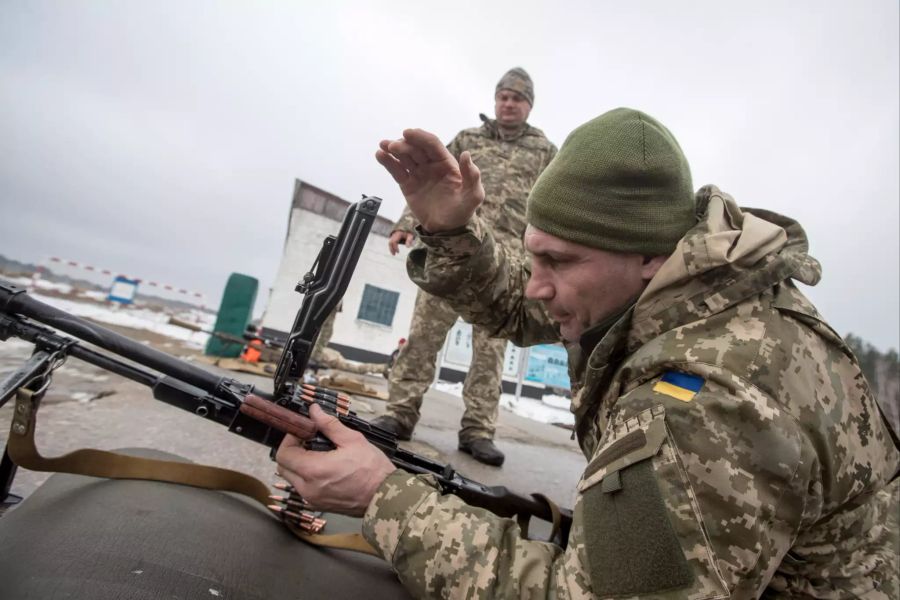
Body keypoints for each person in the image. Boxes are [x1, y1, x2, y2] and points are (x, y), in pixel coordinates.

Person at [276, 108, 900, 598]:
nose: (538, 282)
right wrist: (448, 230)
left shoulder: (707, 396)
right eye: (534, 253)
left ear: (648, 258)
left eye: (558, 261)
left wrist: (383, 497)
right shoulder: (675, 290)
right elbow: (522, 306)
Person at [375, 67, 557, 467]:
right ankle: (400, 412)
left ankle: (478, 429)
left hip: (504, 262)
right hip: (451, 250)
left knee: (490, 350)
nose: (509, 103)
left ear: (529, 105)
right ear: (496, 100)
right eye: (503, 96)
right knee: (423, 333)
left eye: (518, 98)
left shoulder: (545, 151)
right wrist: (407, 224)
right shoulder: (468, 140)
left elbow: (554, 206)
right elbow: (430, 182)